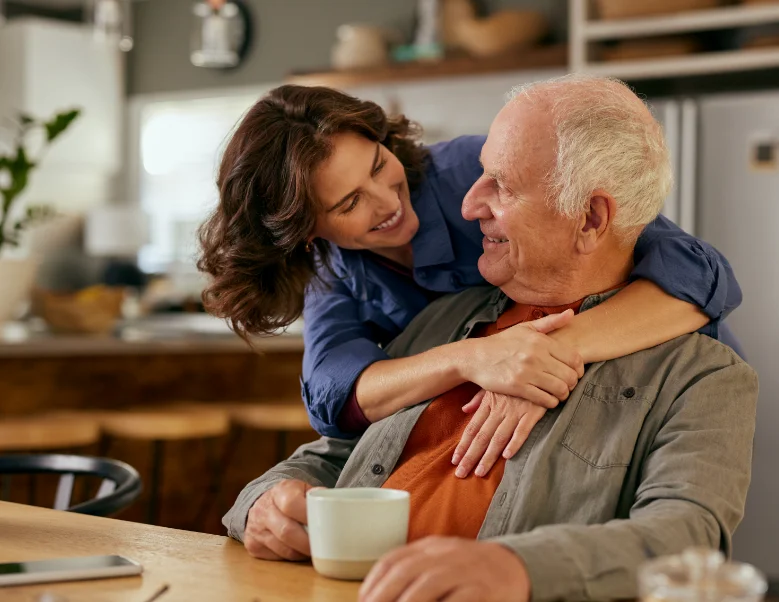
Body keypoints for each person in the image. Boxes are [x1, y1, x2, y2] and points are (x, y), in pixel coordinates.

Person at [223, 75, 757, 602]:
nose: (468, 205)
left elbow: (689, 540)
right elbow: (335, 436)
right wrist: (263, 503)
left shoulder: (699, 374)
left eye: (500, 184)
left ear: (589, 217)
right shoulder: (442, 324)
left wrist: (516, 567)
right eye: (347, 204)